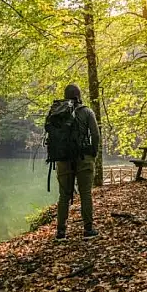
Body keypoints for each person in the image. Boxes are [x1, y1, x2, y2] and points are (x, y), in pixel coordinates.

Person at [55, 84, 100, 240]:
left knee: (63, 196)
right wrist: (93, 154)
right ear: (79, 96)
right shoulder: (87, 112)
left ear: (65, 96)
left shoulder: (58, 112)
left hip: (62, 160)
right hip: (84, 159)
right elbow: (95, 135)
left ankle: (61, 233)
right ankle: (88, 230)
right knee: (86, 194)